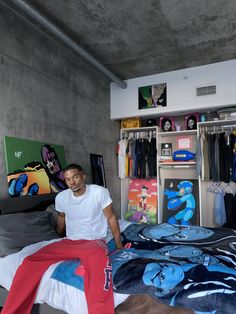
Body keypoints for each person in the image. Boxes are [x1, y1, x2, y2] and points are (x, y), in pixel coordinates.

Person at [2, 163, 122, 314]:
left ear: (83, 177)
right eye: (68, 179)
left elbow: (111, 218)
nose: (72, 182)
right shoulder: (61, 197)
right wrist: (57, 237)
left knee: (98, 269)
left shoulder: (99, 192)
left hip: (93, 241)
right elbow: (61, 217)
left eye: (75, 177)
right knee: (29, 262)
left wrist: (119, 245)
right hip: (69, 241)